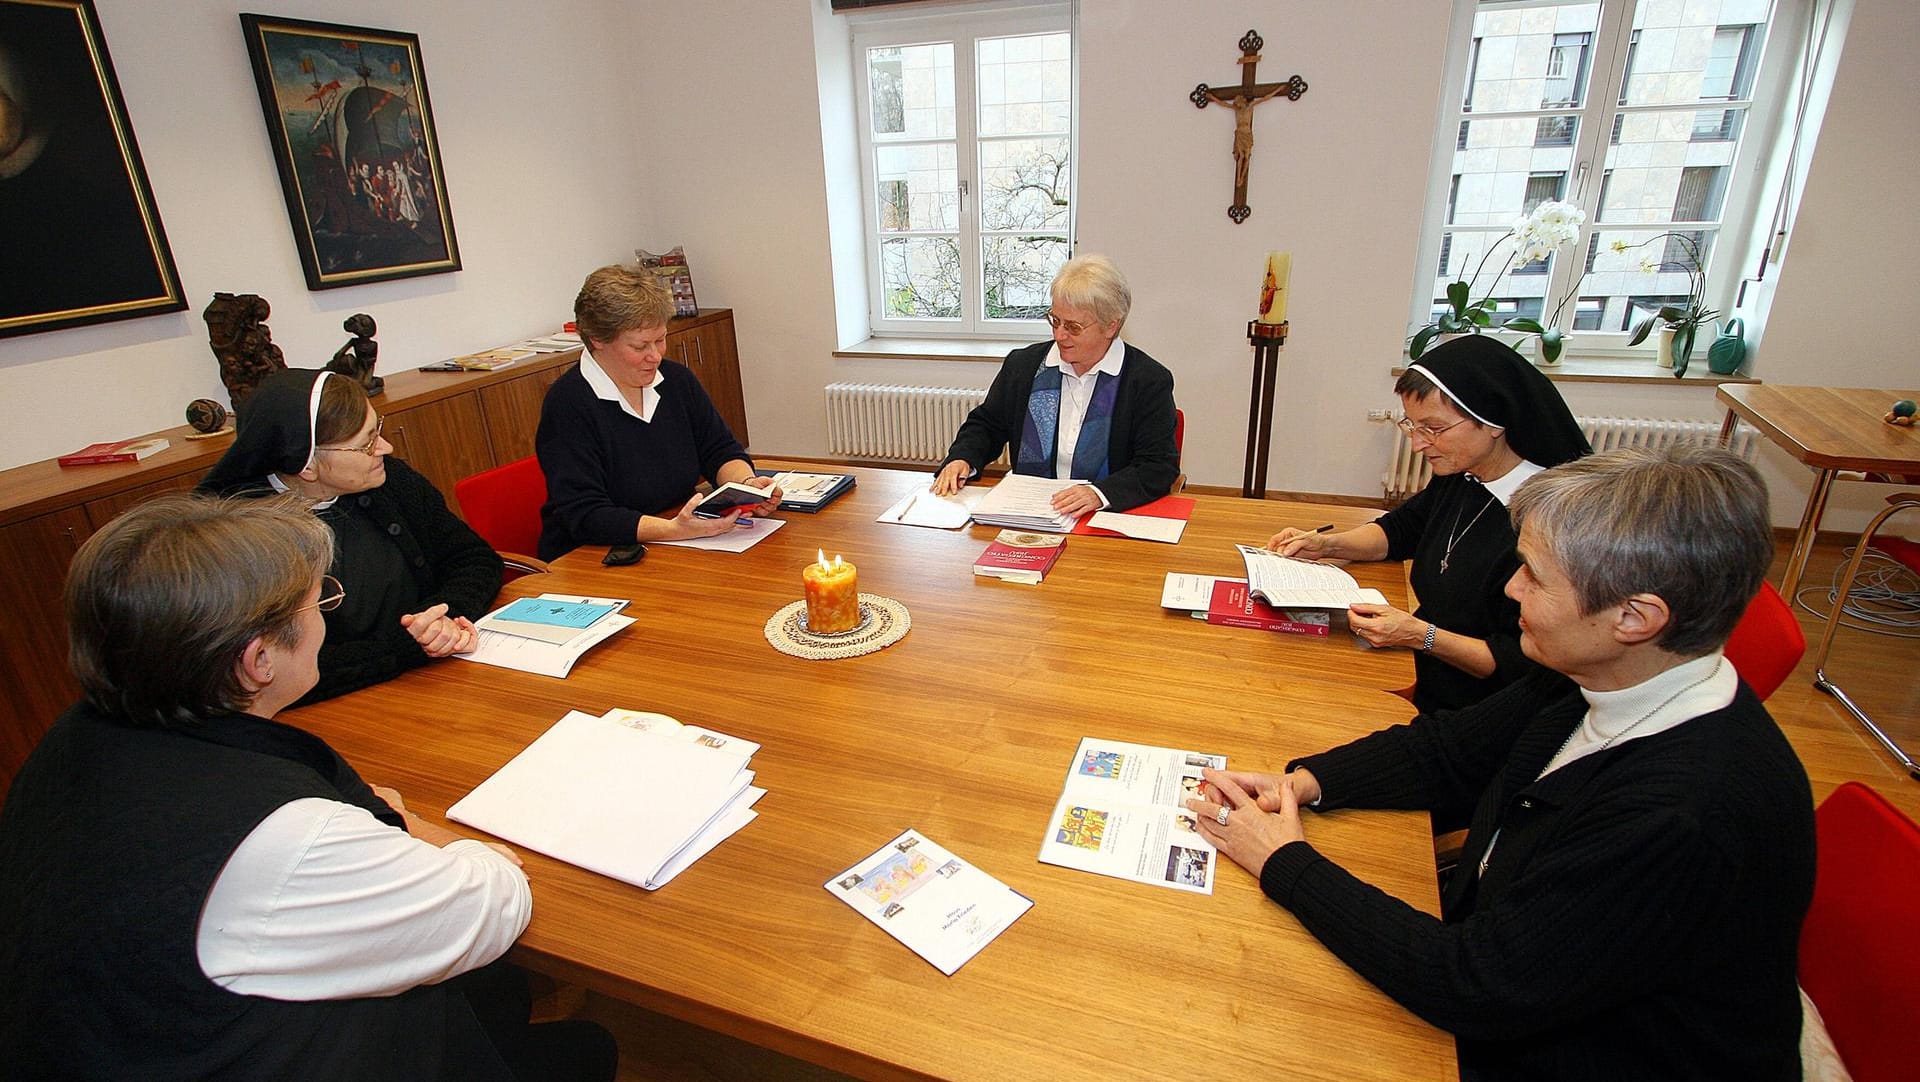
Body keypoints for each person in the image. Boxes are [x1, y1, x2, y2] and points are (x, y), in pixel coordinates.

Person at [1189, 445, 1814, 1080]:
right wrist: (1306, 781)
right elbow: (1450, 750)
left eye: (1535, 576)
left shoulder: (1681, 815)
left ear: (1634, 617)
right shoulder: (1601, 673)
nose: (1510, 588)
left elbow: (1476, 985)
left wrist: (1283, 861)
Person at [0, 494, 615, 1081]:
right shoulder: (283, 833)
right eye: (317, 605)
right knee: (584, 1047)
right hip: (243, 1058)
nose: (326, 618)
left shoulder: (78, 736)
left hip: (110, 1040)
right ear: (258, 660)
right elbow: (491, 906)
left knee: (492, 998)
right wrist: (410, 829)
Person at [1268, 336, 1589, 713]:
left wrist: (1421, 635)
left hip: (1479, 706)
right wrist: (1328, 546)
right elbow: (1400, 531)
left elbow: (1517, 662)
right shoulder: (1463, 473)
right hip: (1422, 663)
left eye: (1433, 428)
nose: (1419, 445)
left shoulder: (1551, 524)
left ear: (1494, 423)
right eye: (1413, 426)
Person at [200, 367, 502, 704]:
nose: (385, 448)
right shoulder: (242, 541)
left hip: (432, 679)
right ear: (307, 467)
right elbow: (273, 672)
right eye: (365, 444)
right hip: (338, 708)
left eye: (378, 431)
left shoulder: (391, 481)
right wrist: (405, 646)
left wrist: (441, 618)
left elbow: (473, 557)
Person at [537, 264, 777, 560]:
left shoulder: (676, 381)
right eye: (640, 346)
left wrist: (746, 488)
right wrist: (674, 530)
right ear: (598, 340)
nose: (656, 355)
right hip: (593, 556)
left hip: (672, 538)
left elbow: (719, 450)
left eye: (660, 339)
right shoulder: (569, 403)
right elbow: (587, 515)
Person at [932, 255, 1179, 516]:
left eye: (1073, 327)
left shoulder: (1147, 380)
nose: (1059, 335)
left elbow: (1158, 465)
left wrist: (1099, 493)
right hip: (1029, 512)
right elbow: (987, 424)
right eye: (1055, 321)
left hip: (1106, 516)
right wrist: (963, 458)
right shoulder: (1024, 366)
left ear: (1111, 326)